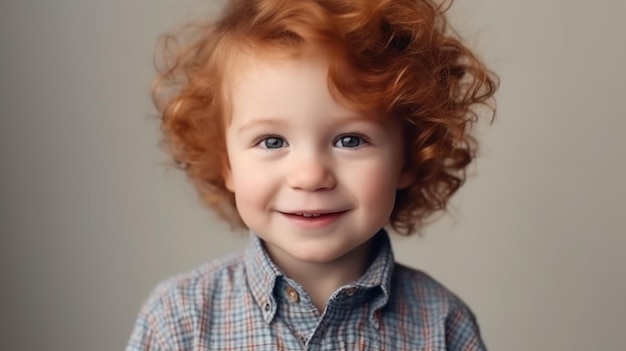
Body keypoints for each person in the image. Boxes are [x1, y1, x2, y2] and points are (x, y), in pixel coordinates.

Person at [127, 0, 497, 349]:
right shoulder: (179, 320)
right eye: (272, 141)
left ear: (408, 158)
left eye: (350, 140)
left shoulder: (442, 324)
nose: (309, 176)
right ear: (227, 166)